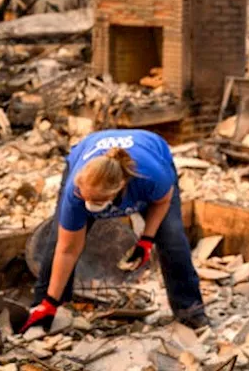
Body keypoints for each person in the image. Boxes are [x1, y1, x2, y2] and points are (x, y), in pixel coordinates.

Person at [21, 129, 207, 333]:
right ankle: (46, 308)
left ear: (121, 187)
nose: (90, 206)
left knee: (172, 238)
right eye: (87, 199)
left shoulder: (152, 177)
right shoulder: (75, 191)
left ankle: (190, 309)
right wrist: (49, 300)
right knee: (58, 239)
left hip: (150, 151)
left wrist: (147, 240)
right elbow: (67, 249)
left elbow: (162, 202)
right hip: (88, 151)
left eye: (98, 201)